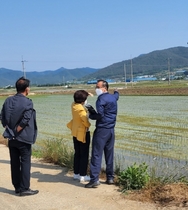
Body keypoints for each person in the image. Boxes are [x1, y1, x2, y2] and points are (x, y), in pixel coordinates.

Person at [0, 77, 38, 196]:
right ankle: (24, 188)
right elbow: (26, 119)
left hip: (11, 138)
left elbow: (2, 117)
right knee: (25, 162)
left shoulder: (8, 100)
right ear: (26, 89)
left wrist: (8, 129)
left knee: (14, 163)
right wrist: (16, 130)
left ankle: (17, 187)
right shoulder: (27, 102)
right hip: (23, 137)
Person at [85, 79, 119, 188]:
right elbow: (117, 95)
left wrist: (89, 115)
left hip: (102, 130)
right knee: (109, 154)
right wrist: (117, 91)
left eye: (98, 87)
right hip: (111, 130)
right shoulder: (113, 97)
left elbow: (100, 115)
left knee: (96, 154)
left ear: (104, 88)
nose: (96, 89)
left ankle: (94, 179)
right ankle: (110, 178)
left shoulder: (101, 100)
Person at [67, 90, 91, 182]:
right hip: (83, 134)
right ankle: (83, 175)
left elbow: (79, 102)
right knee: (84, 154)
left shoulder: (73, 105)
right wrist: (89, 124)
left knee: (77, 153)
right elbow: (86, 122)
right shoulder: (81, 110)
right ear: (83, 101)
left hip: (75, 132)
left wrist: (86, 95)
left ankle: (76, 174)